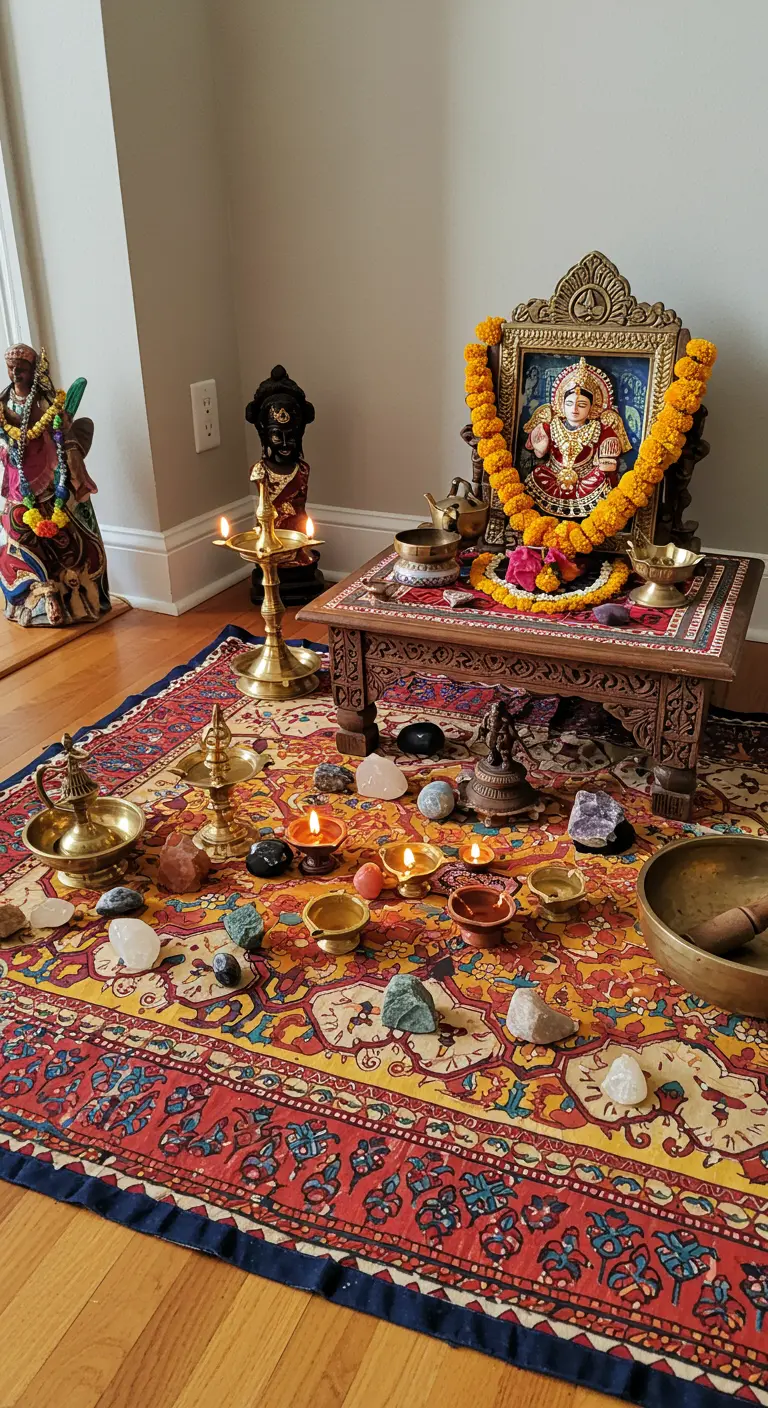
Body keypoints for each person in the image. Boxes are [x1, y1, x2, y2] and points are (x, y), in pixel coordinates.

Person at [0, 344, 110, 626]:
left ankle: (75, 594)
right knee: (18, 526)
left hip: (50, 477)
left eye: (21, 369)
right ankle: (36, 593)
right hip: (19, 480)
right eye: (11, 368)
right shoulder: (3, 403)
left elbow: (64, 432)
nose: (15, 373)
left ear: (33, 371)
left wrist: (71, 461)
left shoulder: (46, 403)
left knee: (66, 533)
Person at [522, 357, 631, 520]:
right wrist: (540, 443)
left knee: (600, 479)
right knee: (538, 473)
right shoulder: (550, 426)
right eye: (569, 403)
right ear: (561, 404)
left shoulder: (601, 429)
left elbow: (609, 465)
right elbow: (538, 454)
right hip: (553, 474)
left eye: (581, 405)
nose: (574, 409)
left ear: (592, 407)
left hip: (586, 479)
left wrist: (604, 461)